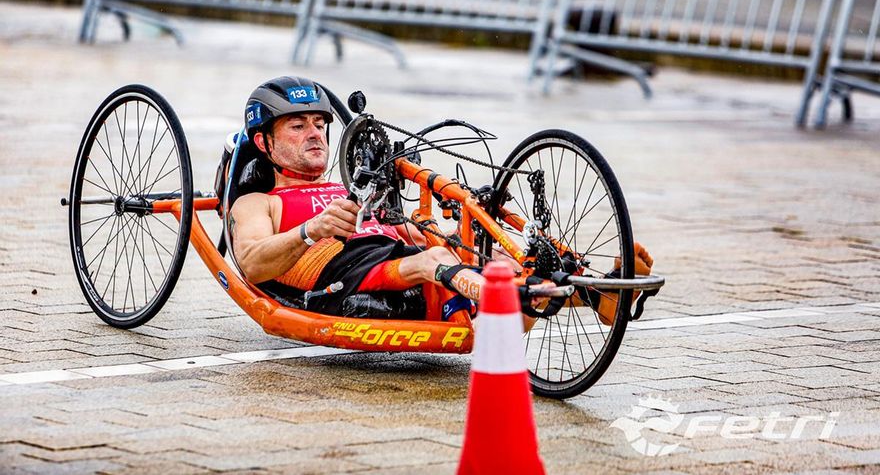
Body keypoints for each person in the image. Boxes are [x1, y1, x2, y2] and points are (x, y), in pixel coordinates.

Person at [229, 76, 652, 325]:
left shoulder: (348, 188)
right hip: (344, 275)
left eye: (320, 123)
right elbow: (251, 261)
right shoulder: (259, 203)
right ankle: (510, 297)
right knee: (430, 262)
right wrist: (310, 231)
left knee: (471, 252)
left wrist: (452, 231)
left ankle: (595, 294)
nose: (316, 134)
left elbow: (402, 230)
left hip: (392, 258)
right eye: (297, 126)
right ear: (264, 142)